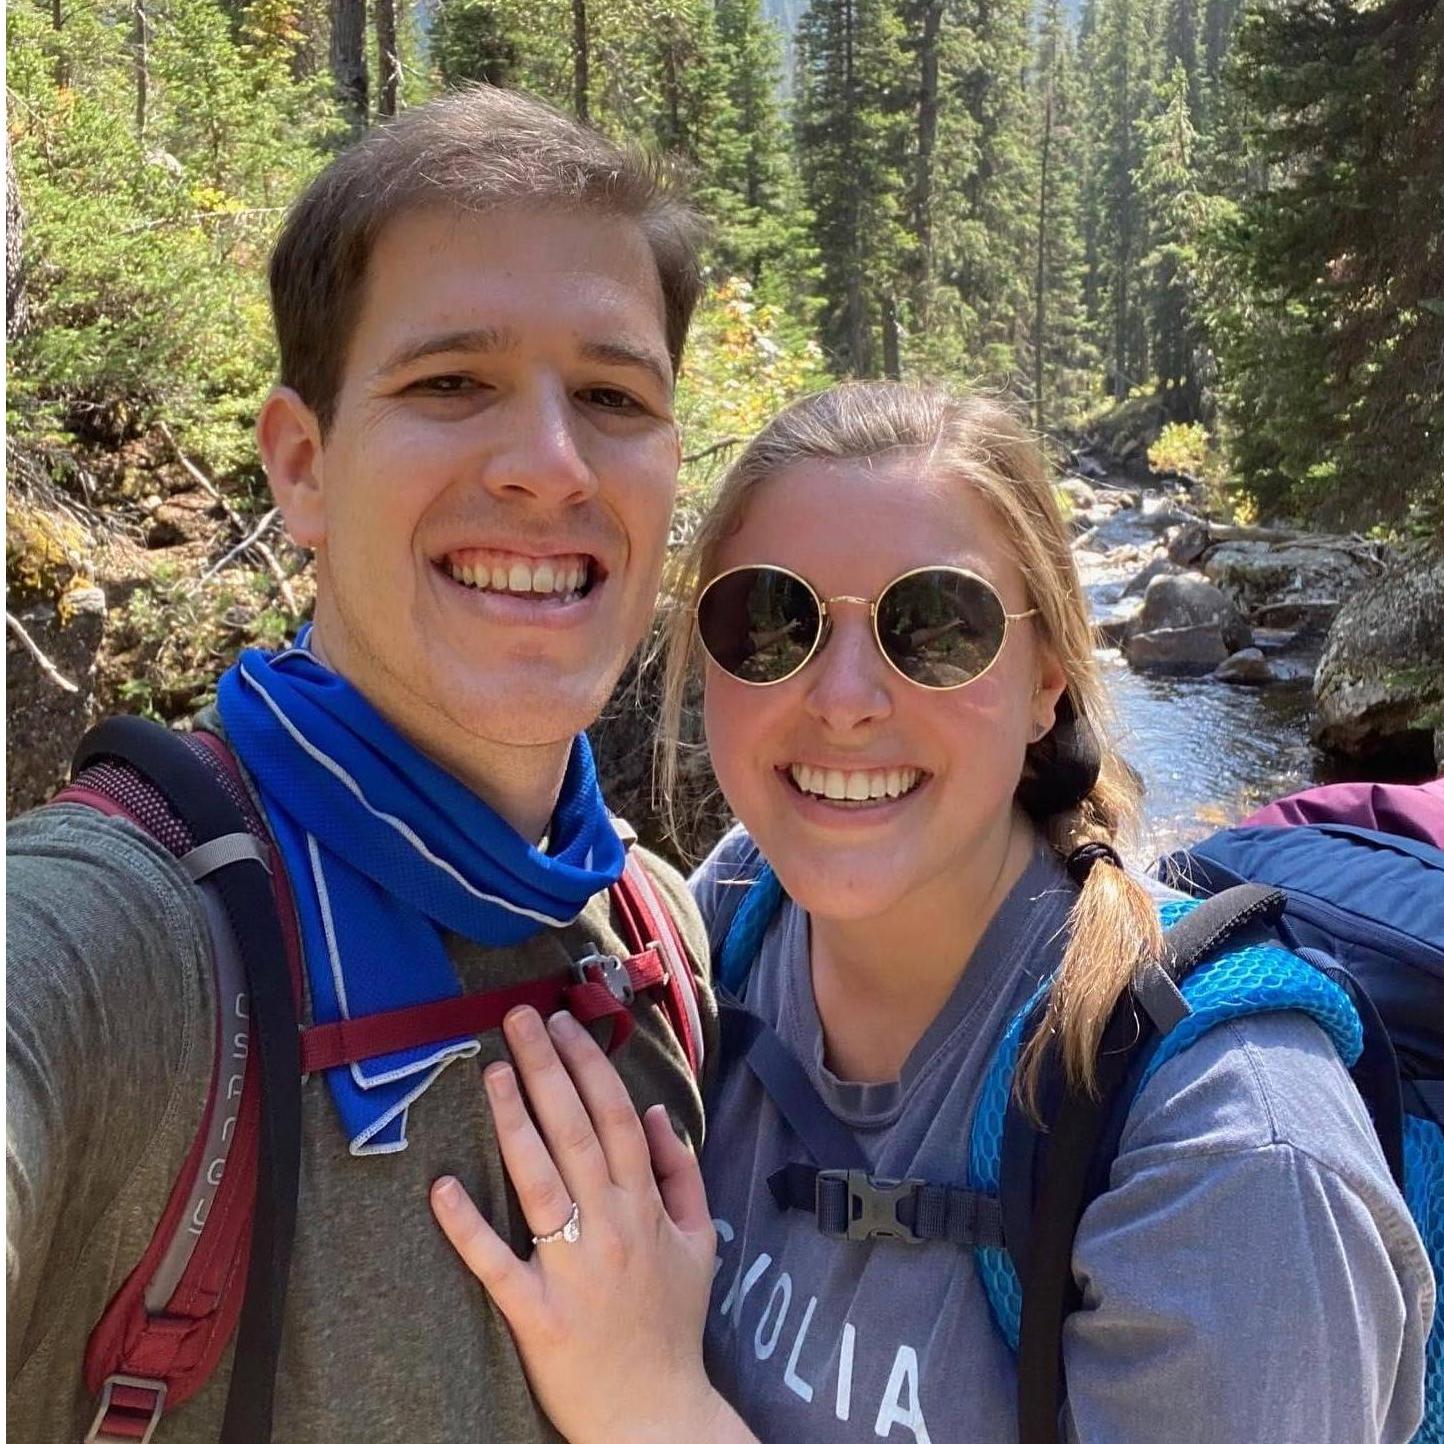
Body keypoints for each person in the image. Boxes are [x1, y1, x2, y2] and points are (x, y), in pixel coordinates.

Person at [430, 381, 1434, 1443]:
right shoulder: (728, 919)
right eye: (770, 619)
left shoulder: (1235, 1162)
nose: (846, 696)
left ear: (1048, 678)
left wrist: (648, 1408)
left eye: (934, 626)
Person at [7, 85, 717, 1443]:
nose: (550, 465)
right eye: (452, 382)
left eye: (615, 396)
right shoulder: (131, 949)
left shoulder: (658, 941)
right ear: (302, 464)